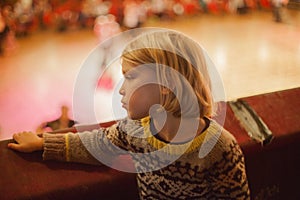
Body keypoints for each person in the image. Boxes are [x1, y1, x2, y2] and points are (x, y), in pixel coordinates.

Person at [7, 30, 250, 199]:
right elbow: (96, 144)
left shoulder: (220, 150)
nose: (121, 89)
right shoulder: (134, 130)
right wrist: (43, 143)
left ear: (167, 84)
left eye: (131, 78)